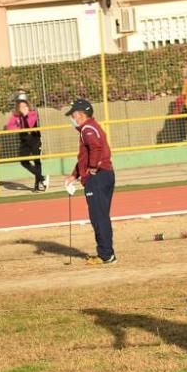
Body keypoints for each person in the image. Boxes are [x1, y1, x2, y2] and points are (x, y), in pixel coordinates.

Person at [64, 99, 116, 264]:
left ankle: (106, 255)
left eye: (73, 115)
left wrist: (92, 167)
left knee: (98, 217)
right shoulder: (92, 127)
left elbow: (95, 148)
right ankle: (106, 253)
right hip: (105, 175)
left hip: (98, 177)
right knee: (101, 216)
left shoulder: (87, 129)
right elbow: (84, 158)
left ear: (80, 114)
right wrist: (74, 175)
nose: (72, 118)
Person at [5, 98, 47, 192]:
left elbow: (30, 125)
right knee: (23, 161)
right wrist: (18, 126)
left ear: (28, 106)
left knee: (37, 161)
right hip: (24, 141)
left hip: (35, 139)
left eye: (25, 106)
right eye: (21, 107)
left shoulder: (33, 114)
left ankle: (37, 185)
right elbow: (9, 127)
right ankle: (42, 178)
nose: (23, 108)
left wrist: (25, 116)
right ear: (18, 108)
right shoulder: (16, 117)